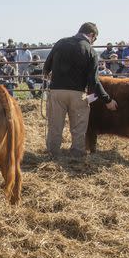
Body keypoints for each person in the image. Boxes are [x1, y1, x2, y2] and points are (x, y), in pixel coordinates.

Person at [43, 22, 117, 158]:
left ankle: (52, 153)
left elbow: (46, 67)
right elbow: (94, 81)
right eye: (94, 39)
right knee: (79, 126)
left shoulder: (60, 43)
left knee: (55, 125)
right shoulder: (90, 51)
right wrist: (107, 99)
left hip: (57, 91)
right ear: (92, 35)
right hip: (78, 93)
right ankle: (77, 154)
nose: (93, 42)